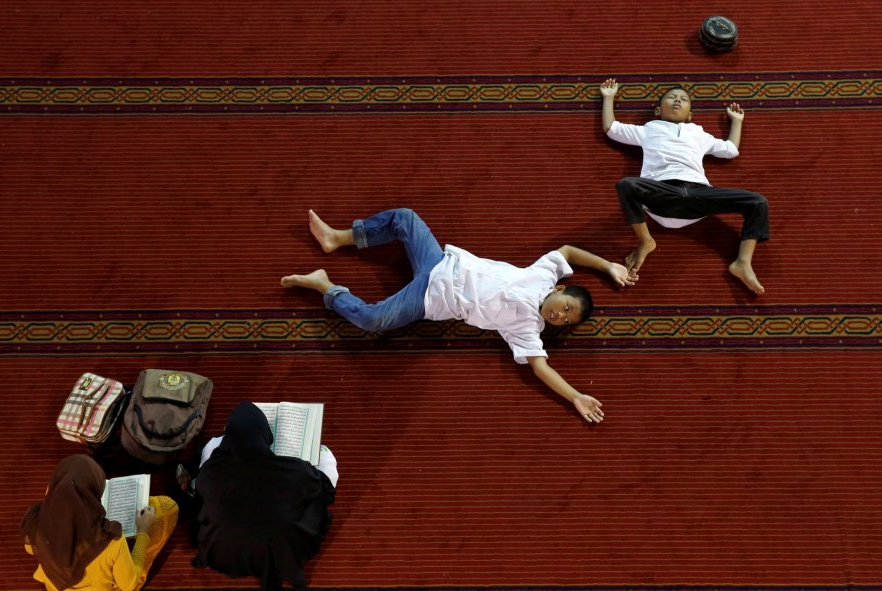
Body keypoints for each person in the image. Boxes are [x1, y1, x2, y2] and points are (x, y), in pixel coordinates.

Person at [281, 208, 637, 424]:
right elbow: (569, 251)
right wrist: (607, 266)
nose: (560, 317)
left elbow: (542, 368)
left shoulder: (529, 329)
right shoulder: (543, 274)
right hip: (439, 261)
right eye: (567, 308)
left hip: (430, 298)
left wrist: (575, 396)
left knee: (373, 321)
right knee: (405, 217)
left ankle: (326, 287)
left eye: (566, 322)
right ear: (561, 291)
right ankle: (337, 239)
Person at [600, 78, 770, 294]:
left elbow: (730, 149)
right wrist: (608, 98)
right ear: (657, 111)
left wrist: (736, 121)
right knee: (627, 185)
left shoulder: (699, 133)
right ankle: (645, 241)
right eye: (671, 98)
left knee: (757, 202)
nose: (677, 101)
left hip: (699, 195)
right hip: (661, 195)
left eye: (683, 99)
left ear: (690, 115)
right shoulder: (648, 129)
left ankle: (743, 262)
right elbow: (611, 128)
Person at [191, 401, 337, 591]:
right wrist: (323, 452)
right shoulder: (295, 471)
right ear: (267, 436)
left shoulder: (209, 472)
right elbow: (327, 488)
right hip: (282, 554)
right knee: (313, 499)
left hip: (222, 554)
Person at [21, 455, 178, 591]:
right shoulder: (110, 540)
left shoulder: (33, 522)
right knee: (166, 507)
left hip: (57, 585)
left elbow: (31, 549)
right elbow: (128, 585)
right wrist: (143, 532)